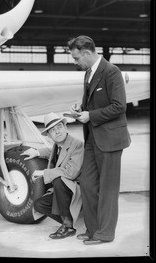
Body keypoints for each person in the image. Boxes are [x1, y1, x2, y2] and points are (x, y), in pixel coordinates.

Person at [67, 35, 131, 245]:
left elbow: (119, 106)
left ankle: (105, 234)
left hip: (111, 140)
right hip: (93, 139)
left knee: (108, 189)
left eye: (77, 58)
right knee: (87, 184)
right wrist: (81, 110)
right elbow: (92, 105)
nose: (75, 62)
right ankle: (93, 229)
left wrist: (91, 116)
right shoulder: (88, 73)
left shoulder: (112, 72)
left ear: (87, 53)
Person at [20, 112, 84, 239]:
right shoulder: (58, 146)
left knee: (59, 180)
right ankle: (72, 220)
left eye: (59, 127)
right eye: (53, 130)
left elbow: (71, 173)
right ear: (49, 136)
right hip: (63, 192)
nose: (57, 132)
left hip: (77, 190)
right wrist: (37, 152)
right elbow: (52, 152)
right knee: (39, 205)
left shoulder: (77, 144)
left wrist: (44, 173)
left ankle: (68, 226)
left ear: (66, 128)